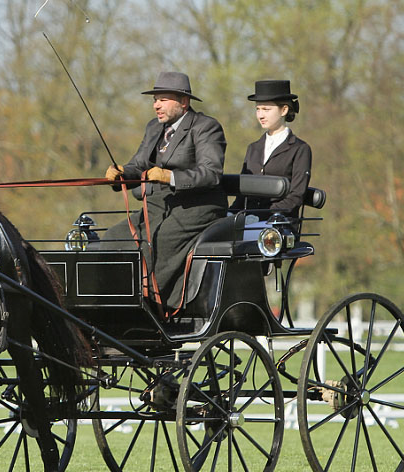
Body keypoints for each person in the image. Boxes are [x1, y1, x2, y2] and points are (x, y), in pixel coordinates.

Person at [100, 71, 227, 310]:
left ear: (183, 102)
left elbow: (211, 173)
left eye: (163, 99)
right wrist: (120, 173)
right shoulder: (153, 128)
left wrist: (170, 177)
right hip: (160, 206)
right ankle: (114, 306)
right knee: (113, 239)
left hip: (198, 209)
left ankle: (151, 305)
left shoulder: (206, 127)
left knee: (154, 243)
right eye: (154, 100)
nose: (156, 105)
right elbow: (138, 165)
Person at [231, 80, 311, 216]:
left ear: (284, 110)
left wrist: (262, 215)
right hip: (247, 220)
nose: (260, 115)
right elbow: (242, 193)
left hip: (279, 224)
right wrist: (229, 215)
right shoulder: (253, 148)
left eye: (266, 109)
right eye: (258, 109)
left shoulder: (300, 149)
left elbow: (296, 196)